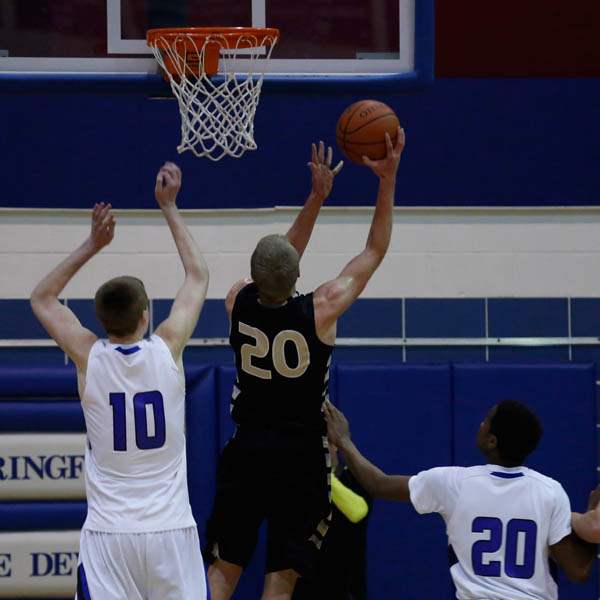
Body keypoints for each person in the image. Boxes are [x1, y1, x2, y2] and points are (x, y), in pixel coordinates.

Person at [205, 130, 405, 600]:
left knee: (223, 569)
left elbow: (277, 263)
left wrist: (315, 199)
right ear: (298, 273)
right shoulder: (323, 308)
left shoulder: (236, 301)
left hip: (247, 449)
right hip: (300, 456)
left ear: (254, 276)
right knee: (281, 578)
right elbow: (374, 251)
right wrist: (387, 179)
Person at [30, 162, 209, 599]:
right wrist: (169, 207)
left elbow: (42, 298)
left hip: (110, 536)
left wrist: (92, 244)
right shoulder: (168, 347)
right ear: (146, 315)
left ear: (100, 320)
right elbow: (198, 275)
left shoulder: (88, 356)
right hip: (170, 531)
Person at [325, 400, 595, 599]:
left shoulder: (455, 483)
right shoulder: (551, 491)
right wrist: (595, 518)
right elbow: (578, 571)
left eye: (486, 420)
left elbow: (377, 484)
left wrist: (344, 440)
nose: (480, 423)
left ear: (492, 441)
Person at [292, 444, 372, 600]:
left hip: (345, 586)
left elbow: (358, 511)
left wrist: (326, 476)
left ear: (334, 445)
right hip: (303, 585)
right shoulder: (300, 481)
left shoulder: (356, 478)